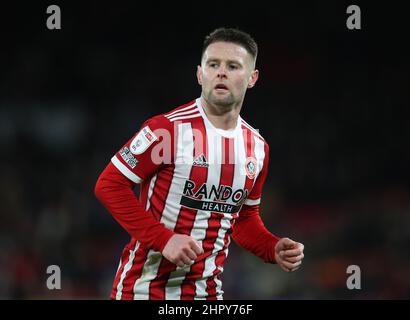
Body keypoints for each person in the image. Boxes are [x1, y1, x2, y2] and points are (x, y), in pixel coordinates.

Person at [94, 27, 305, 300]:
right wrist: (164, 239)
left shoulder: (257, 148)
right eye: (213, 64)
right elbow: (109, 185)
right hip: (143, 291)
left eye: (233, 66)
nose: (221, 72)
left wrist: (271, 247)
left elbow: (241, 219)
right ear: (199, 74)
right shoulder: (167, 130)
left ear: (252, 78)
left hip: (207, 294)